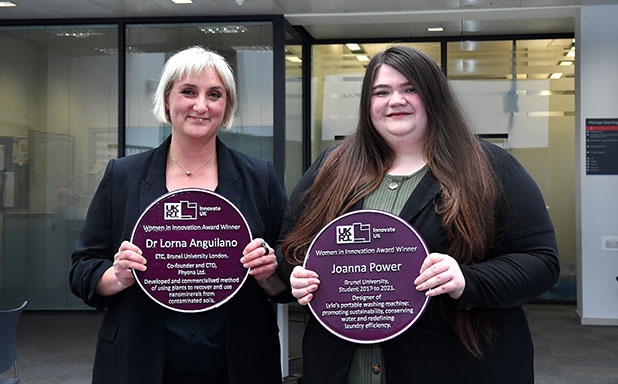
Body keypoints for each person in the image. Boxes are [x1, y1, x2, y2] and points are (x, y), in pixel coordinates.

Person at [276, 46, 560, 383]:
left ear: (433, 96)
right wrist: (297, 274)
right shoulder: (330, 168)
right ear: (368, 103)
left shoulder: (489, 167)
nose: (396, 100)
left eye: (410, 88)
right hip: (341, 368)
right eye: (382, 92)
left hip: (453, 366)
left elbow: (541, 262)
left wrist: (467, 280)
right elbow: (289, 249)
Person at [70, 46, 288, 384]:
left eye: (214, 94)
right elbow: (82, 268)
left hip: (239, 364)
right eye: (188, 91)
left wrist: (269, 272)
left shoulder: (259, 177)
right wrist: (116, 276)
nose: (201, 105)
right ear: (167, 100)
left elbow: (288, 271)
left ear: (226, 106)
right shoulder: (123, 175)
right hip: (139, 363)